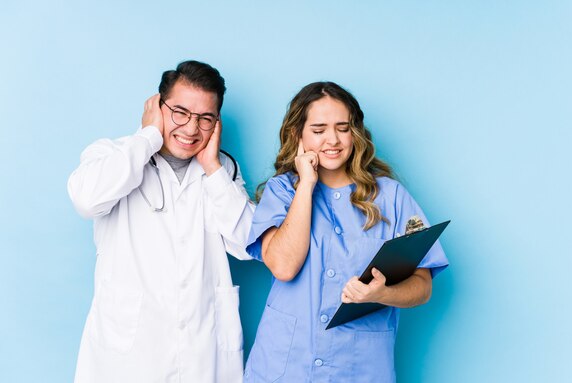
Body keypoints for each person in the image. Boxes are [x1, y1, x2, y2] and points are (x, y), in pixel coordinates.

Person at [244, 82, 449, 382]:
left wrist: (385, 293)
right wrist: (306, 184)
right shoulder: (283, 191)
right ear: (297, 135)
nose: (333, 140)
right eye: (318, 130)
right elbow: (284, 267)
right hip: (286, 366)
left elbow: (423, 285)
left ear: (356, 133)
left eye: (343, 128)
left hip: (359, 367)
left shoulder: (391, 197)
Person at [68, 60, 254, 383]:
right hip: (130, 359)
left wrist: (212, 168)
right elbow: (85, 199)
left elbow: (249, 243)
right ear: (157, 106)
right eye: (179, 112)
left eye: (205, 118)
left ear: (217, 123)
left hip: (203, 355)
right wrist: (148, 137)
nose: (191, 128)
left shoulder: (223, 171)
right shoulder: (116, 155)